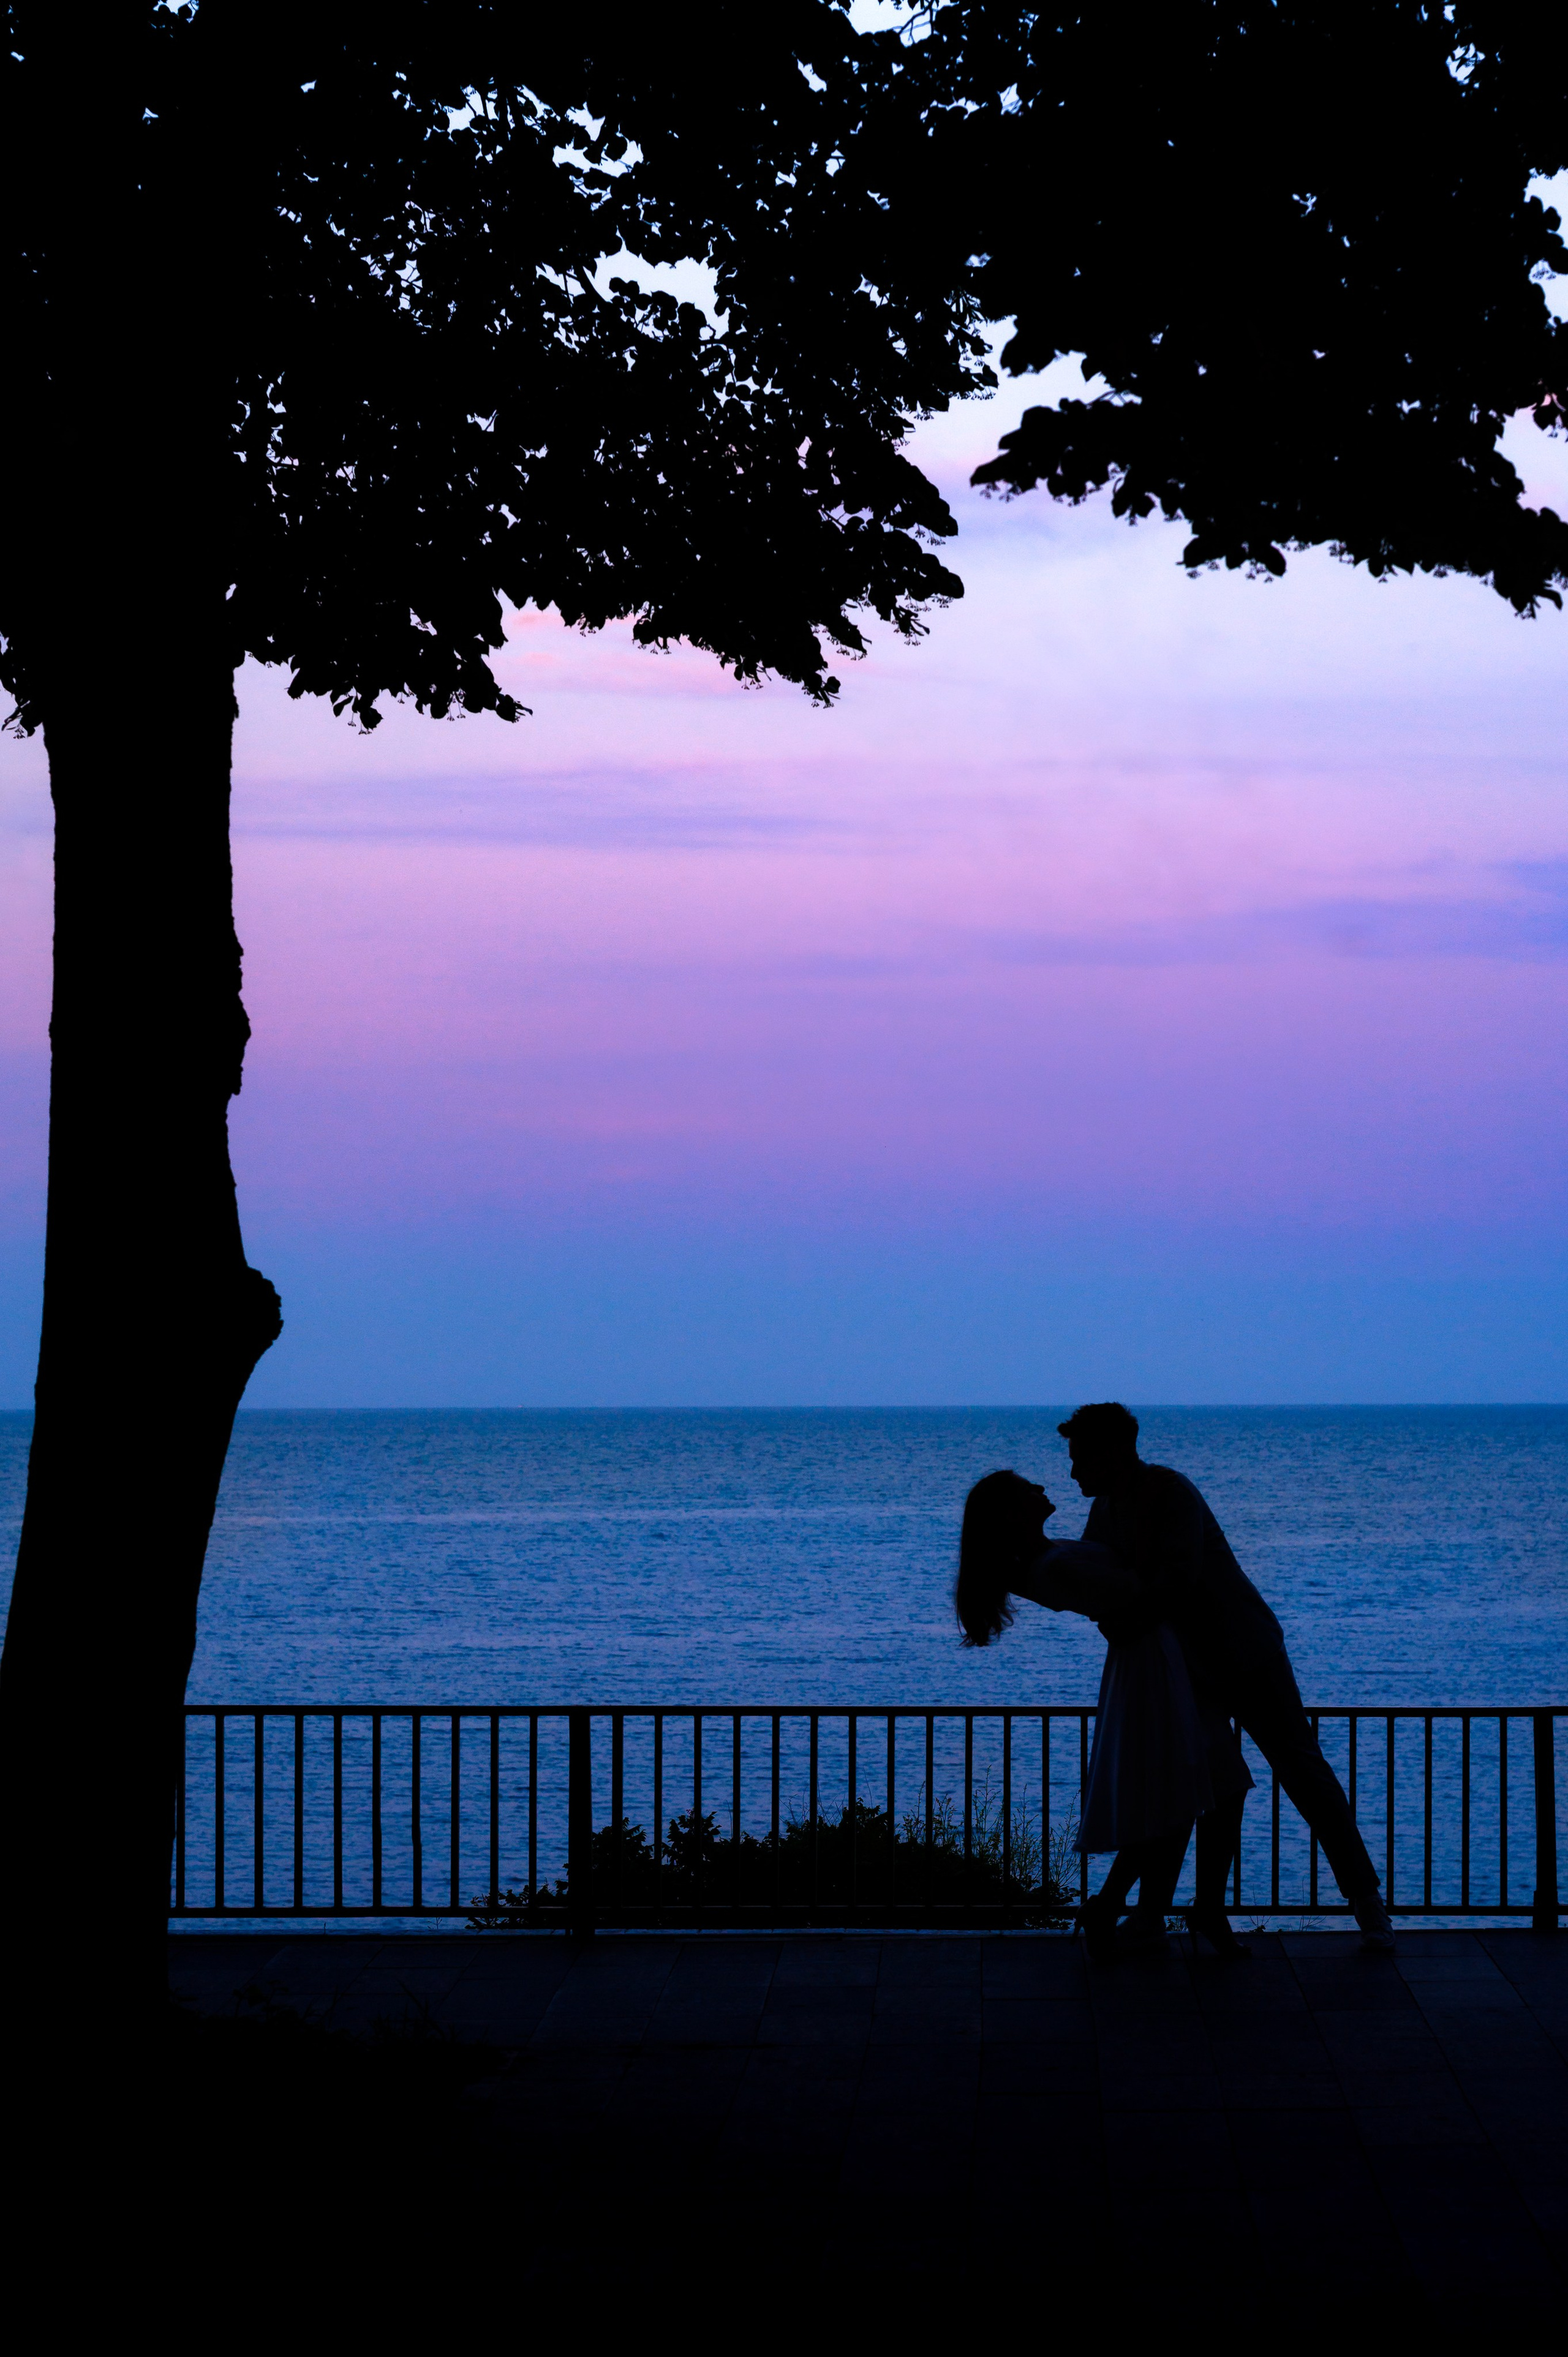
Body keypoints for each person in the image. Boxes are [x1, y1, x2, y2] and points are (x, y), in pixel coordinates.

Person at [1057, 1401, 1396, 1952]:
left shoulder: (1171, 1492)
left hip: (1246, 1656)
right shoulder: (1109, 1509)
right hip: (1189, 1672)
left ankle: (1364, 1900)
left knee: (1302, 1772)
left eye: (1081, 1459)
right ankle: (1177, 1912)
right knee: (1202, 1785)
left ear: (1114, 1453)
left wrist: (1120, 1618)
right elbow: (1107, 1579)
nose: (1073, 1472)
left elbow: (1174, 1580)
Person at [957, 1469, 1253, 1958]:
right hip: (1153, 1671)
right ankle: (1166, 1909)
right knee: (1203, 1789)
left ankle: (1138, 1910)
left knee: (1196, 1790)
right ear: (1011, 1513)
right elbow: (1139, 1591)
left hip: (1152, 1665)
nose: (1041, 1488)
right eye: (1028, 1489)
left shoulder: (1047, 1557)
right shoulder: (1051, 1566)